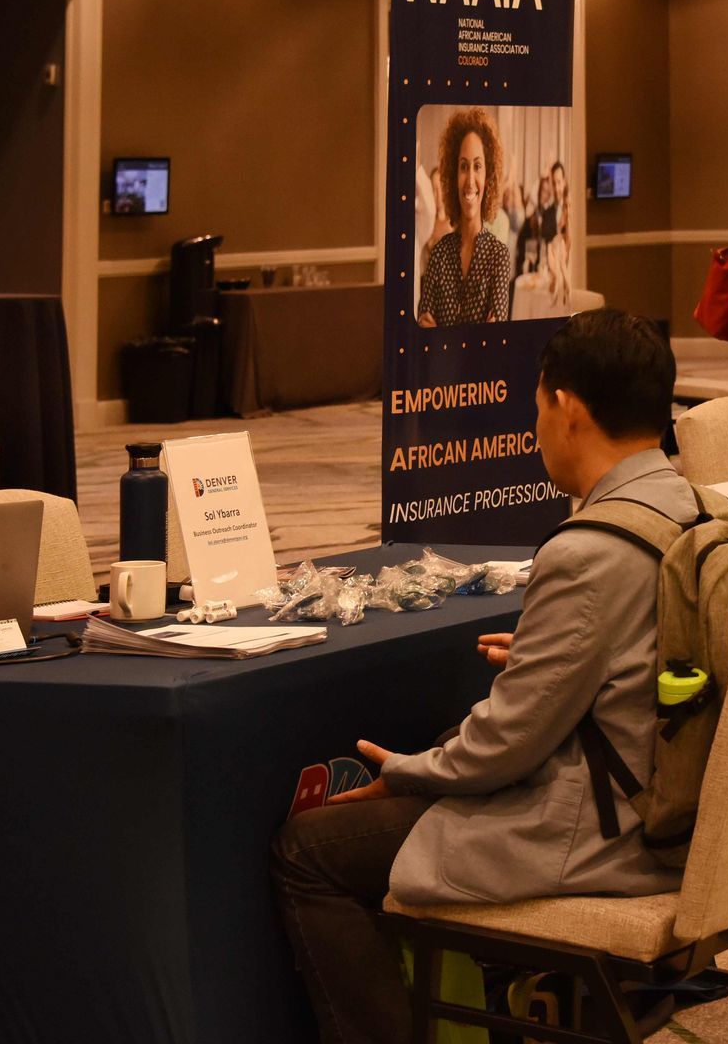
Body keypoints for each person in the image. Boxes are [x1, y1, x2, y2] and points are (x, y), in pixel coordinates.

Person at [270, 309, 692, 1044]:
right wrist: (548, 656)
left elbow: (506, 746)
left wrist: (405, 774)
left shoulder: (587, 550)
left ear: (567, 408)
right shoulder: (704, 512)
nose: (535, 429)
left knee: (310, 850)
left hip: (606, 834)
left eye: (535, 407)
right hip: (687, 808)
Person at [418, 107, 513, 326]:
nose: (470, 180)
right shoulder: (439, 254)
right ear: (453, 176)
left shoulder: (498, 256)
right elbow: (424, 328)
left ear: (488, 176)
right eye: (463, 167)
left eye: (477, 166)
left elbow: (494, 341)